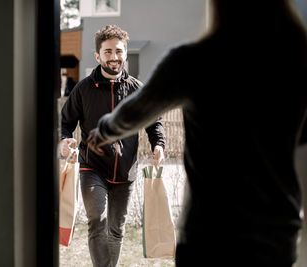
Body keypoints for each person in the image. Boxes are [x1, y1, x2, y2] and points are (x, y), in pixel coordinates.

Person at [87, 1, 307, 266]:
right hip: (277, 236)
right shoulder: (295, 64)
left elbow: (138, 110)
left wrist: (104, 131)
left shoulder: (196, 61)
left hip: (211, 235)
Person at [60, 24, 166, 267]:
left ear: (125, 53)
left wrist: (158, 144)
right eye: (107, 52)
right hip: (92, 167)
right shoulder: (83, 89)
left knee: (116, 229)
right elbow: (65, 122)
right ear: (97, 56)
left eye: (118, 51)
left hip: (125, 171)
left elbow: (154, 121)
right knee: (97, 219)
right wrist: (65, 140)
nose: (114, 57)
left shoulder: (138, 90)